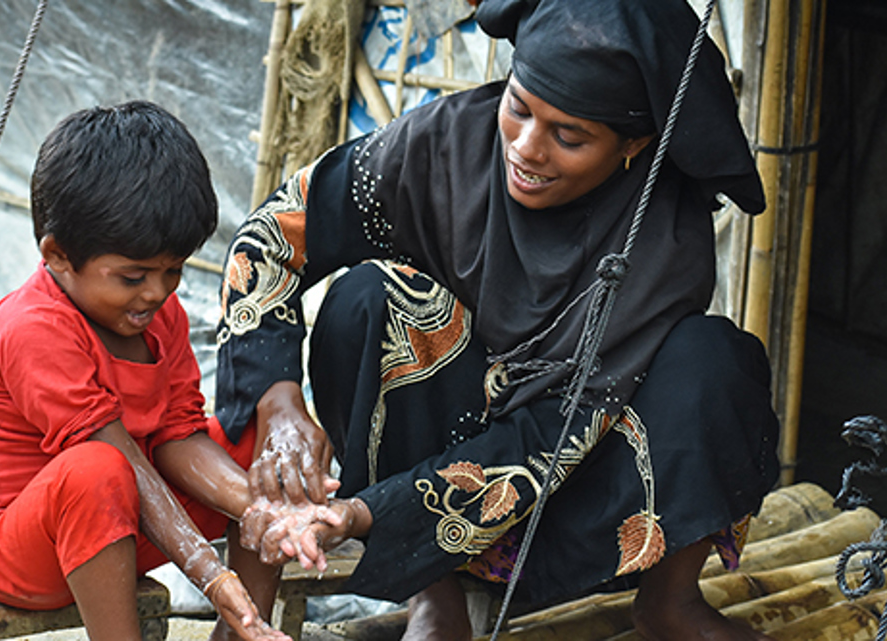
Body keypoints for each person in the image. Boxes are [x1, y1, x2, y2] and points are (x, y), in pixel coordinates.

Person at [216, 0, 780, 639]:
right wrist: (280, 403)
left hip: (580, 491)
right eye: (519, 107)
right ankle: (433, 593)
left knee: (716, 358)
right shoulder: (447, 141)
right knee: (367, 297)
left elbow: (557, 430)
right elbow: (275, 235)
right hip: (439, 439)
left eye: (568, 136)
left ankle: (669, 599)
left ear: (634, 145)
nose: (527, 149)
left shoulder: (663, 243)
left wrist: (367, 514)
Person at [0, 101, 336, 641]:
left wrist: (269, 507)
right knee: (97, 469)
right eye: (133, 277)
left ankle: (246, 631)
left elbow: (177, 435)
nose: (156, 293)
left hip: (124, 520)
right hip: (23, 551)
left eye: (172, 271)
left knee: (262, 448)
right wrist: (211, 574)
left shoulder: (158, 315)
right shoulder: (31, 327)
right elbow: (119, 464)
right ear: (58, 256)